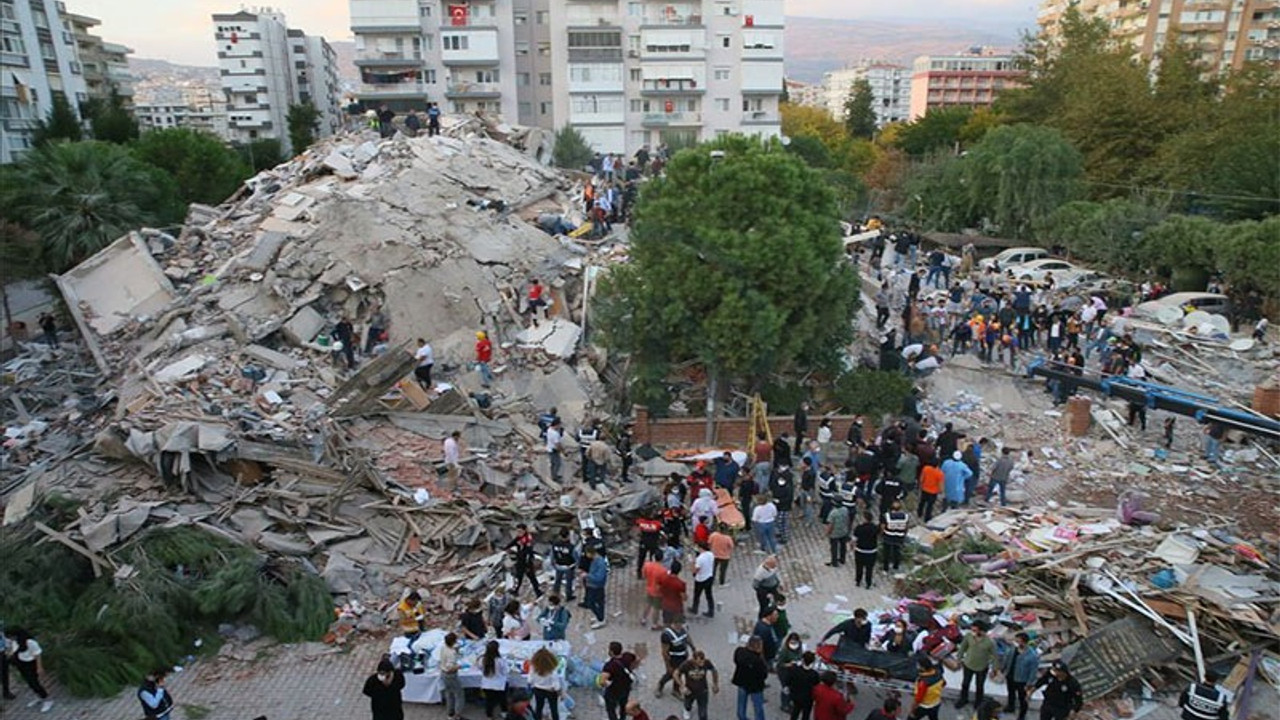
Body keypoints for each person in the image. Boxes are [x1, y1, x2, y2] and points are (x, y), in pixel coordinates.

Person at [955, 622, 997, 710]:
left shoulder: (990, 642)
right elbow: (963, 648)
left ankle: (978, 702)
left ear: (981, 631)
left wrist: (994, 669)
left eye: (975, 630)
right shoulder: (969, 636)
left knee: (979, 686)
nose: (972, 631)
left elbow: (995, 656)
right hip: (968, 664)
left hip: (981, 667)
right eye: (972, 630)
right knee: (965, 683)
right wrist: (959, 659)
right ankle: (963, 699)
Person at [1000, 632, 1039, 720]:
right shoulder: (1013, 649)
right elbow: (1007, 659)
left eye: (1018, 641)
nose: (1016, 643)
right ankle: (1010, 706)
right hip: (1010, 676)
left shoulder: (1032, 656)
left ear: (1024, 642)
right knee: (1011, 693)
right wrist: (1003, 669)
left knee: (1022, 699)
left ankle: (1022, 715)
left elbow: (1033, 671)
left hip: (1022, 680)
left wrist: (1029, 683)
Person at [675, 649, 719, 720]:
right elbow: (676, 674)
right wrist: (682, 686)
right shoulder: (687, 664)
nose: (702, 664)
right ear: (694, 659)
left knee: (703, 714)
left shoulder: (706, 662)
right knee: (688, 704)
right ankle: (687, 710)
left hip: (703, 691)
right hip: (689, 690)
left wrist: (715, 684)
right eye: (699, 662)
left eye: (703, 661)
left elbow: (714, 671)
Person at [732, 636, 769, 720]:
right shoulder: (758, 660)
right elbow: (764, 674)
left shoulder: (739, 651)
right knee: (758, 707)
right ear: (757, 646)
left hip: (741, 682)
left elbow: (735, 660)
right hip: (755, 687)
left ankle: (742, 717)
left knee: (741, 704)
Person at [656, 618, 694, 698]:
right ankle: (661, 684)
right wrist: (668, 665)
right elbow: (664, 651)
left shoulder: (683, 629)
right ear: (676, 623)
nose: (682, 626)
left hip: (683, 656)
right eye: (681, 624)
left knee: (680, 673)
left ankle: (675, 690)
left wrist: (693, 648)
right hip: (673, 657)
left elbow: (687, 637)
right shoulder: (667, 635)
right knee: (671, 673)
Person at [527, 646, 564, 720]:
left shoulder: (533, 668)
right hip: (550, 691)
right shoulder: (552, 670)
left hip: (538, 689)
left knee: (539, 707)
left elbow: (530, 680)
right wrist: (559, 691)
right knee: (554, 709)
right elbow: (556, 684)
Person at [507, 523, 543, 598]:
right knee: (518, 577)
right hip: (520, 560)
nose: (518, 533)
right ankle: (515, 590)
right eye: (517, 531)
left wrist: (527, 565)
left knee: (532, 577)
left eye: (520, 531)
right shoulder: (519, 537)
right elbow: (513, 542)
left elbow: (528, 552)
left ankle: (538, 592)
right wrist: (506, 548)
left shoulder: (528, 539)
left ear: (524, 531)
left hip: (526, 562)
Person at [602, 651, 639, 720]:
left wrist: (606, 684)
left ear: (611, 652)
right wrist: (632, 668)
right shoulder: (627, 657)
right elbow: (637, 660)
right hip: (625, 688)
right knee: (623, 706)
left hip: (613, 692)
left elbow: (603, 681)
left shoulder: (610, 665)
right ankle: (623, 718)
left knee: (611, 710)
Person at [786, 652, 821, 720]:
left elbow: (788, 681)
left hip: (796, 696)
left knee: (795, 712)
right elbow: (816, 686)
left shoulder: (795, 670)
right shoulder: (814, 674)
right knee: (806, 715)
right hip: (808, 698)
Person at [582, 544, 610, 629]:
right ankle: (599, 616)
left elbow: (599, 577)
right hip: (592, 585)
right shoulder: (595, 560)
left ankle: (601, 619)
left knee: (593, 603)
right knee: (597, 602)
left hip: (596, 586)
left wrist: (587, 576)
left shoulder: (600, 563)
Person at [480, 641, 510, 718]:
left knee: (489, 701)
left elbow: (480, 668)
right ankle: (504, 713)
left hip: (487, 684)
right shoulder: (500, 661)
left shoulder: (482, 660)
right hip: (499, 685)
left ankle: (489, 715)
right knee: (502, 699)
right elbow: (505, 671)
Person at [439, 633, 465, 720]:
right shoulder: (451, 653)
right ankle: (458, 715)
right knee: (459, 694)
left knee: (449, 693)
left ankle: (450, 713)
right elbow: (450, 668)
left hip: (443, 673)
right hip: (451, 675)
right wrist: (459, 666)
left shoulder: (443, 647)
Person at [852, 512, 879, 589]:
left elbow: (854, 539)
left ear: (864, 519)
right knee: (869, 568)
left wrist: (852, 546)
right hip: (871, 551)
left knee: (859, 566)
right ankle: (868, 583)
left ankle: (858, 581)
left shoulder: (859, 528)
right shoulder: (875, 528)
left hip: (860, 550)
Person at [689, 541, 716, 618]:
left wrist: (691, 563)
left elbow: (694, 571)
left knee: (697, 595)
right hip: (709, 576)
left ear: (701, 548)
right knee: (709, 595)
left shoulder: (700, 559)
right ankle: (711, 611)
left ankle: (695, 608)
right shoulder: (711, 554)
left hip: (700, 579)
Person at [550, 529, 578, 602]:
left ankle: (555, 594)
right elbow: (575, 557)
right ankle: (568, 596)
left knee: (557, 580)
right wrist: (577, 565)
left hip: (558, 565)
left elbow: (552, 555)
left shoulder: (555, 544)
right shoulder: (570, 546)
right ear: (568, 536)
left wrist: (553, 563)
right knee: (569, 582)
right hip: (569, 566)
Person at [881, 500, 909, 572]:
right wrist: (904, 534)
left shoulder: (887, 516)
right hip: (899, 536)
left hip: (888, 536)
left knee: (886, 553)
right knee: (897, 552)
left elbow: (883, 527)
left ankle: (885, 568)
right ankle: (896, 566)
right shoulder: (905, 516)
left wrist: (882, 534)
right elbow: (906, 527)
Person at [658, 561, 688, 626]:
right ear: (679, 571)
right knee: (677, 626)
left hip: (666, 605)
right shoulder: (681, 584)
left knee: (667, 625)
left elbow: (659, 589)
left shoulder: (663, 578)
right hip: (676, 607)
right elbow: (684, 598)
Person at [825, 499, 851, 567]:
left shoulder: (833, 513)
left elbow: (831, 525)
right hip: (843, 531)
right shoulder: (845, 509)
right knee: (843, 546)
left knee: (834, 548)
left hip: (835, 533)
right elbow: (848, 520)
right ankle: (842, 559)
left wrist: (827, 533)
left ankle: (834, 562)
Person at [546, 418, 564, 483]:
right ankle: (555, 477)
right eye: (559, 425)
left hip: (549, 448)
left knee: (553, 464)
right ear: (556, 425)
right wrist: (562, 451)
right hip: (554, 450)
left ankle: (553, 475)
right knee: (557, 464)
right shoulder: (555, 434)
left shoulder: (549, 430)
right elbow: (557, 444)